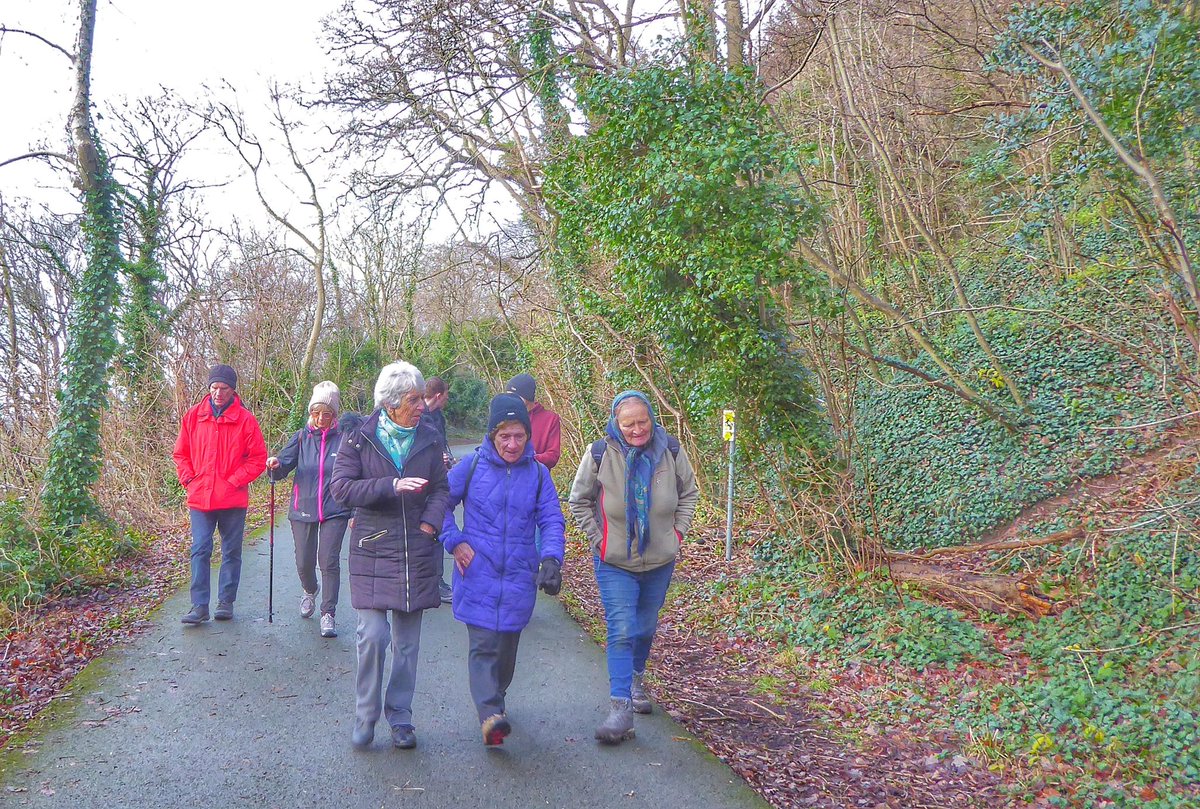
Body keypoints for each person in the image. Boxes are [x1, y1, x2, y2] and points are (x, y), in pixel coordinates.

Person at [567, 390, 699, 744]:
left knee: (644, 626)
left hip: (660, 559)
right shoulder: (600, 454)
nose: (637, 429)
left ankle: (637, 680)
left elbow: (690, 493)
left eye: (643, 421)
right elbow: (578, 500)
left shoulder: (670, 450)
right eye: (629, 424)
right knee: (622, 628)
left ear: (652, 418)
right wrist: (599, 540)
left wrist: (678, 533)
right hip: (615, 561)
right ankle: (620, 708)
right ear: (616, 423)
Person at [330, 361, 450, 751]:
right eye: (414, 400)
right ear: (391, 403)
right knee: (372, 636)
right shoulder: (358, 439)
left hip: (416, 548)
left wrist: (431, 525)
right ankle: (366, 716)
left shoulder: (429, 437)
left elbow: (441, 491)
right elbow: (342, 490)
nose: (421, 406)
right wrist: (391, 485)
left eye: (420, 398)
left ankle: (400, 717)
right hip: (372, 548)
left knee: (408, 643)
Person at [439, 394, 566, 746]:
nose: (512, 444)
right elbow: (439, 505)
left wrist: (552, 559)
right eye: (504, 437)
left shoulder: (539, 475)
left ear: (528, 436)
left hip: (518, 576)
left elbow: (552, 519)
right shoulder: (471, 466)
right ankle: (490, 714)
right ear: (492, 436)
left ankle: (496, 701)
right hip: (477, 571)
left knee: (506, 650)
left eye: (519, 436)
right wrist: (454, 540)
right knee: (482, 647)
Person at [173, 364, 268, 625]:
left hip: (232, 500)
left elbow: (258, 459)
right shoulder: (193, 416)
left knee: (231, 551)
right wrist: (189, 479)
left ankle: (226, 602)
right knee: (200, 548)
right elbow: (181, 454)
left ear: (232, 390)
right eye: (214, 388)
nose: (217, 393)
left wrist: (234, 481)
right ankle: (199, 605)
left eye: (223, 388)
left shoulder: (246, 420)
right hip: (200, 498)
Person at [265, 381, 355, 639]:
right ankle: (309, 590)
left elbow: (356, 474)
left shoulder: (345, 439)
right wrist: (275, 465)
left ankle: (329, 613)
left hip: (335, 508)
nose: (320, 418)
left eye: (327, 413)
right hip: (302, 505)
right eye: (316, 412)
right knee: (304, 562)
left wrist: (355, 511)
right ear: (310, 412)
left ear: (334, 415)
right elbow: (284, 465)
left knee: (328, 560)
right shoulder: (302, 437)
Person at [420, 375, 455, 604]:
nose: (447, 399)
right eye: (447, 395)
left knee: (437, 527)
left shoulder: (438, 417)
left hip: (437, 480)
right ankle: (425, 582)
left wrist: (446, 458)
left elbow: (441, 445)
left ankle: (437, 582)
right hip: (417, 481)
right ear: (439, 395)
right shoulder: (417, 415)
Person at [504, 373, 562, 469]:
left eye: (514, 395)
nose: (510, 399)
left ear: (526, 396)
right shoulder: (504, 414)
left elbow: (553, 456)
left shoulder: (550, 419)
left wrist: (528, 459)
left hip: (535, 478)